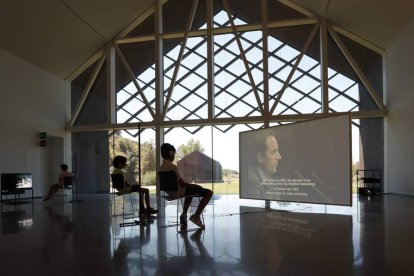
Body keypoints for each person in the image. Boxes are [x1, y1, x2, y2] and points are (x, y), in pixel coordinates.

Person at [159, 143, 213, 229]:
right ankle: (196, 216)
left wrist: (191, 186)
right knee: (209, 192)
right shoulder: (173, 167)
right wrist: (195, 186)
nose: (174, 156)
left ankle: (184, 214)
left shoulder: (161, 168)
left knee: (190, 190)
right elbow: (182, 184)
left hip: (170, 193)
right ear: (171, 154)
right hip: (178, 191)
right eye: (174, 154)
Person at [247, 132, 282, 198]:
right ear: (260, 157)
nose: (279, 157)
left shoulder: (270, 179)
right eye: (273, 152)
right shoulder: (252, 180)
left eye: (278, 151)